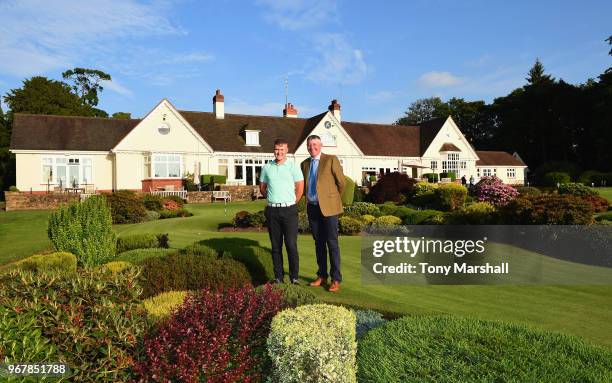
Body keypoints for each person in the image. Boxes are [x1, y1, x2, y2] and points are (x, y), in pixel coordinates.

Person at [301, 135, 346, 292]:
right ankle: (322, 275)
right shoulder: (304, 164)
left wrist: (331, 198)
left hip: (329, 208)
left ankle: (335, 279)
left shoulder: (331, 159)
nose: (312, 147)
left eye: (315, 144)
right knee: (318, 243)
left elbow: (341, 183)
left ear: (321, 145)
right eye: (309, 145)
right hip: (312, 207)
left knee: (332, 243)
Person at [259, 138, 304, 284]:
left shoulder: (293, 167)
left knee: (291, 245)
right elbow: (262, 188)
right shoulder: (267, 168)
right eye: (277, 149)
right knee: (276, 246)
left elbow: (300, 188)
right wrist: (272, 198)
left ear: (287, 150)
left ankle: (294, 277)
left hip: (289, 210)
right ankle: (278, 277)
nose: (279, 152)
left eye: (282, 149)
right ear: (274, 150)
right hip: (273, 211)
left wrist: (292, 202)